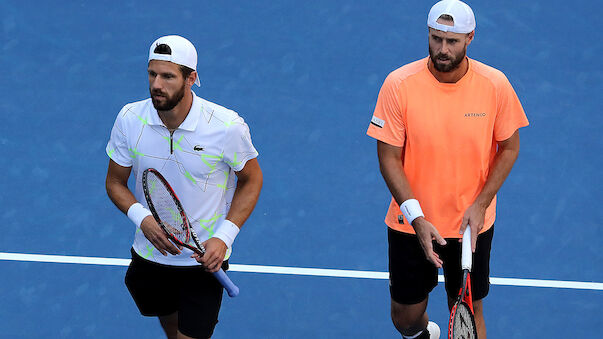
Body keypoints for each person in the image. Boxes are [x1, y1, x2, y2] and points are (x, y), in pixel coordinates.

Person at [366, 0, 529, 338]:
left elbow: (509, 147)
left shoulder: (495, 85)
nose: (442, 49)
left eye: (452, 41)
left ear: (470, 38)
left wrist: (481, 204)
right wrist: (416, 216)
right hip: (411, 222)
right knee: (405, 319)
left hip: (470, 224)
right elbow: (388, 157)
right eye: (435, 38)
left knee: (469, 312)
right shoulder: (399, 84)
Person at [105, 35, 263, 339]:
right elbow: (114, 182)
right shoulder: (129, 119)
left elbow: (252, 179)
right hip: (150, 255)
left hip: (203, 259)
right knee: (171, 327)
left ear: (191, 78)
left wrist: (224, 236)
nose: (156, 85)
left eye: (168, 76)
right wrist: (144, 219)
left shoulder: (226, 126)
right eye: (152, 74)